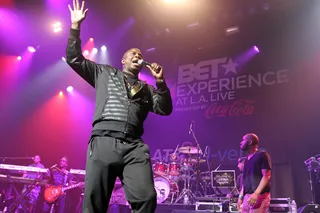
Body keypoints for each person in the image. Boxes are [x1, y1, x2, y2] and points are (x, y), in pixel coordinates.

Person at [66, 1, 173, 213]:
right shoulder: (104, 73)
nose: (137, 56)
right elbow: (75, 59)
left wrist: (160, 83)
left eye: (140, 55)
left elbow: (164, 108)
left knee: (147, 197)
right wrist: (75, 27)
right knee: (95, 204)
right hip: (104, 140)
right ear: (123, 60)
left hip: (134, 146)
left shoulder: (146, 88)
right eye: (133, 53)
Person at [237, 133, 272, 213]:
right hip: (247, 196)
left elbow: (266, 176)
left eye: (243, 140)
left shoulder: (262, 155)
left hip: (260, 195)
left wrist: (256, 193)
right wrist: (241, 197)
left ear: (249, 142)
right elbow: (245, 181)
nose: (241, 142)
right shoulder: (246, 161)